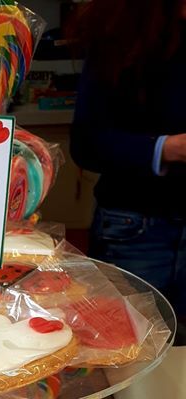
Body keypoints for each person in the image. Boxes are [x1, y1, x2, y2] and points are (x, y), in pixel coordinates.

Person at [69, 0, 186, 329]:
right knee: (128, 351)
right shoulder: (121, 34)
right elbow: (87, 143)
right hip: (135, 228)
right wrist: (168, 148)